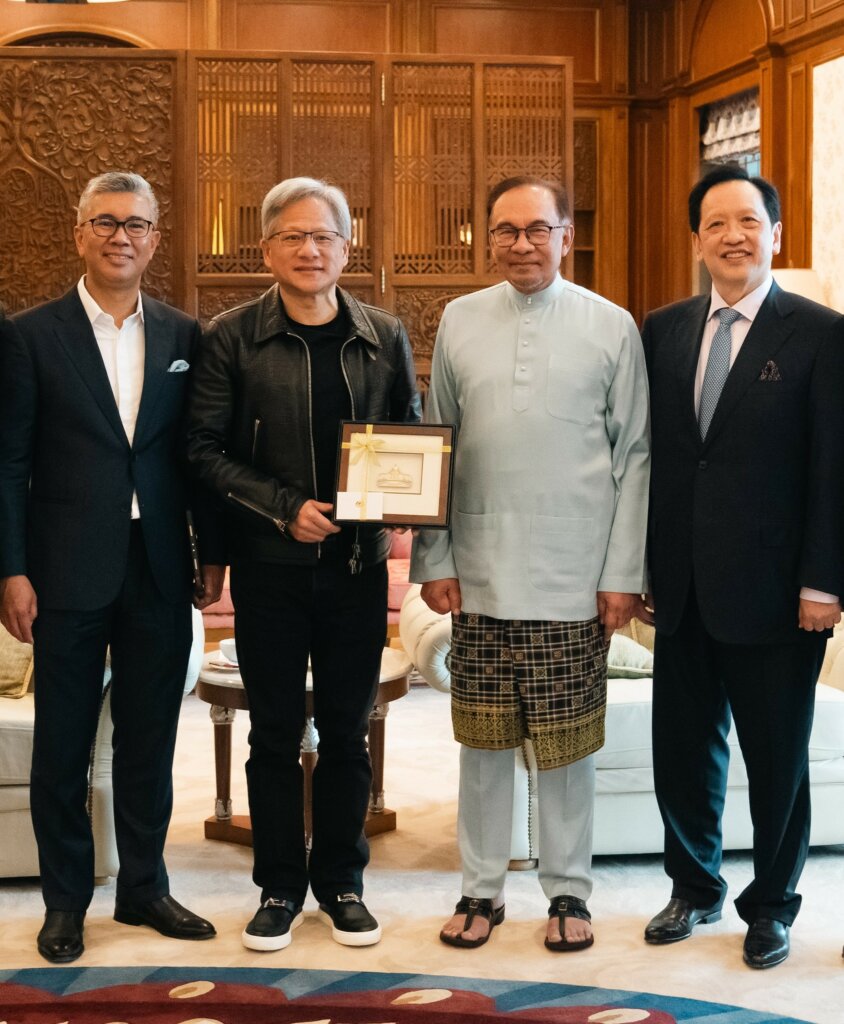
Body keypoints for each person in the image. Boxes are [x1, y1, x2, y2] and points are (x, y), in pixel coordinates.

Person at [410, 175, 650, 951]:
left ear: (566, 236)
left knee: (566, 746)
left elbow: (635, 456)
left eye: (537, 229)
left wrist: (622, 572)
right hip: (478, 572)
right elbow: (435, 440)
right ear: (487, 237)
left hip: (575, 577)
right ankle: (481, 889)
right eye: (507, 230)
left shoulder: (612, 326)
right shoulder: (457, 319)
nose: (522, 243)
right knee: (482, 744)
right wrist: (433, 558)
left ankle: (569, 893)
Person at [186, 176, 420, 952]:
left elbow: (410, 439)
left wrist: (397, 501)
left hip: (355, 568)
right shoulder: (230, 335)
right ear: (267, 248)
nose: (310, 249)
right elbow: (203, 450)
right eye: (293, 236)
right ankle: (281, 886)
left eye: (324, 236)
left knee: (349, 732)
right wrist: (284, 506)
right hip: (269, 568)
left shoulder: (383, 335)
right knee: (276, 732)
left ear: (347, 248)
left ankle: (344, 883)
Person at [0, 171, 225, 964]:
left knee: (149, 743)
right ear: (79, 232)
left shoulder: (181, 335)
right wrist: (11, 570)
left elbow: (196, 460)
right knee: (61, 746)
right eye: (105, 222)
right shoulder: (29, 334)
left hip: (158, 565)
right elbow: (9, 461)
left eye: (137, 223)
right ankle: (66, 904)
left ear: (156, 237)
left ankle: (144, 889)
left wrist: (212, 555)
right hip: (62, 571)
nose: (121, 235)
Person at [641, 164, 844, 969]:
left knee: (776, 761)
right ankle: (693, 887)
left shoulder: (822, 332)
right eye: (716, 223)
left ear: (776, 235)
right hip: (682, 586)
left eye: (749, 221)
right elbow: (655, 457)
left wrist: (825, 580)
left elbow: (834, 465)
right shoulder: (663, 327)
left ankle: (772, 906)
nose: (733, 235)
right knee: (683, 749)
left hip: (779, 593)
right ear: (697, 240)